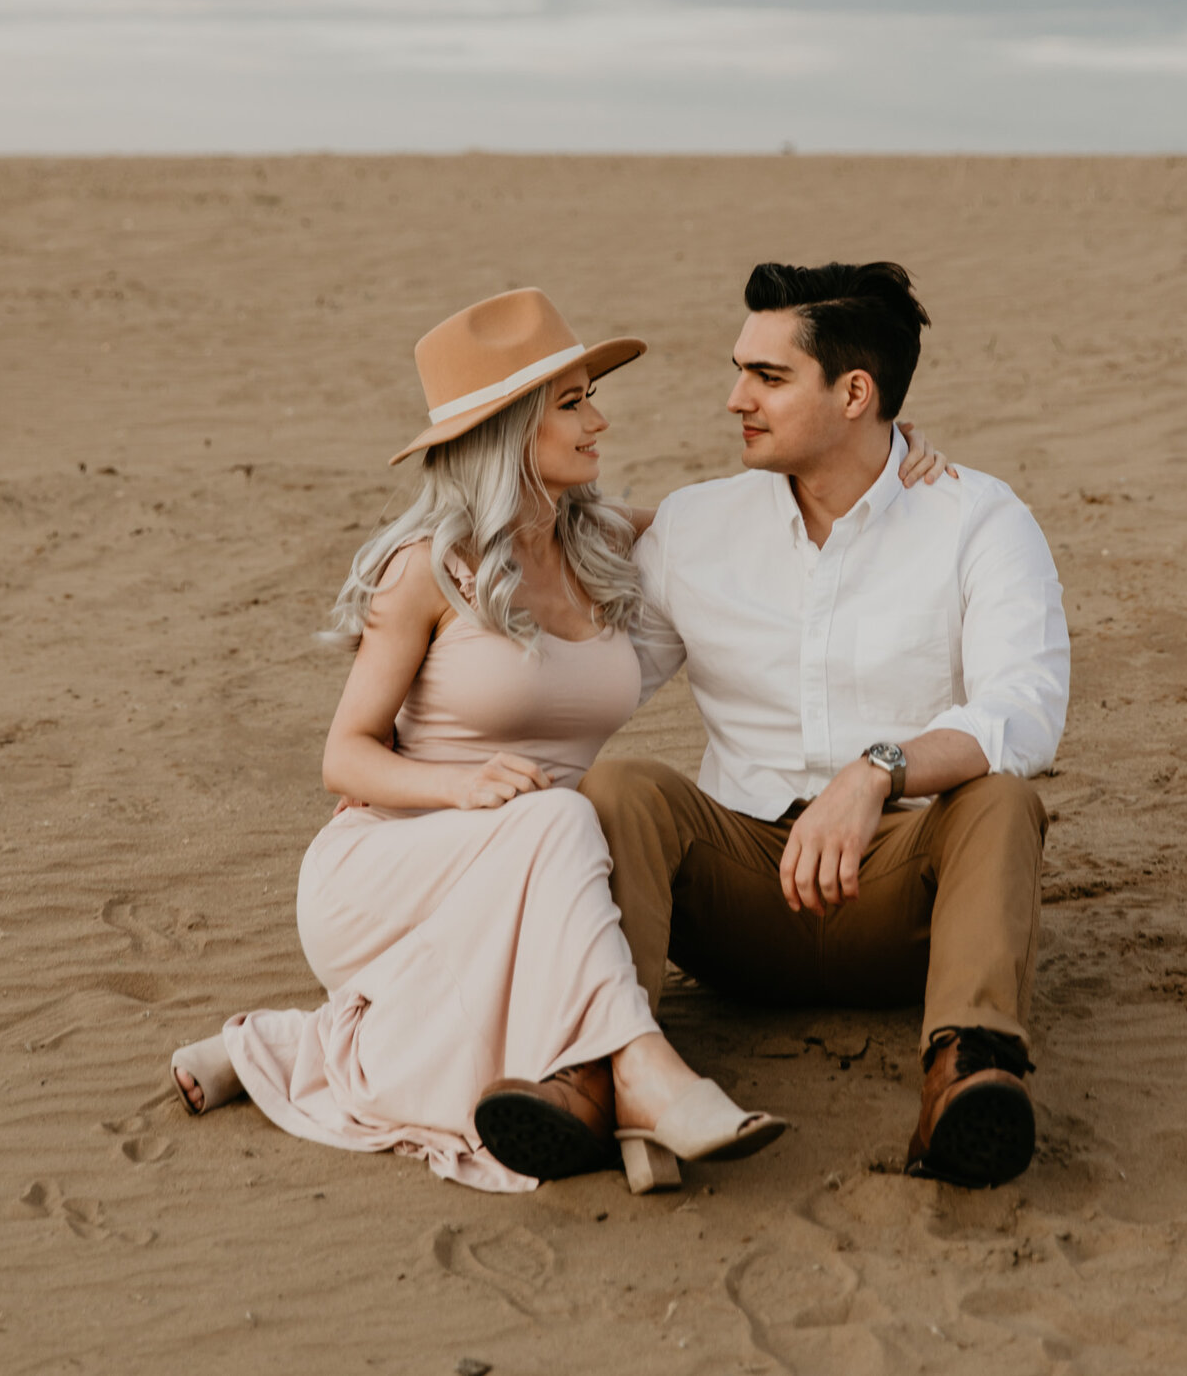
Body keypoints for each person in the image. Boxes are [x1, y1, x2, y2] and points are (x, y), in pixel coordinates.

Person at [167, 287, 949, 1193]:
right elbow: (344, 757)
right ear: (507, 430)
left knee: (567, 822)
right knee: (568, 815)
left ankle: (291, 1044)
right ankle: (646, 1075)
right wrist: (458, 789)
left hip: (539, 870)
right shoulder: (429, 569)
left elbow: (762, 515)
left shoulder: (605, 541)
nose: (599, 421)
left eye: (590, 398)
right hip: (395, 865)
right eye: (572, 404)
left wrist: (886, 452)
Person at [582, 261, 1071, 1189]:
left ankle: (967, 1079)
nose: (736, 399)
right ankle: (594, 1071)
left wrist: (876, 771)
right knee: (621, 787)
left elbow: (1024, 709)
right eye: (740, 371)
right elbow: (597, 689)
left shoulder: (976, 519)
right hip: (735, 900)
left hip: (900, 900)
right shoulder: (696, 526)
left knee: (1002, 801)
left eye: (768, 377)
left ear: (856, 393)